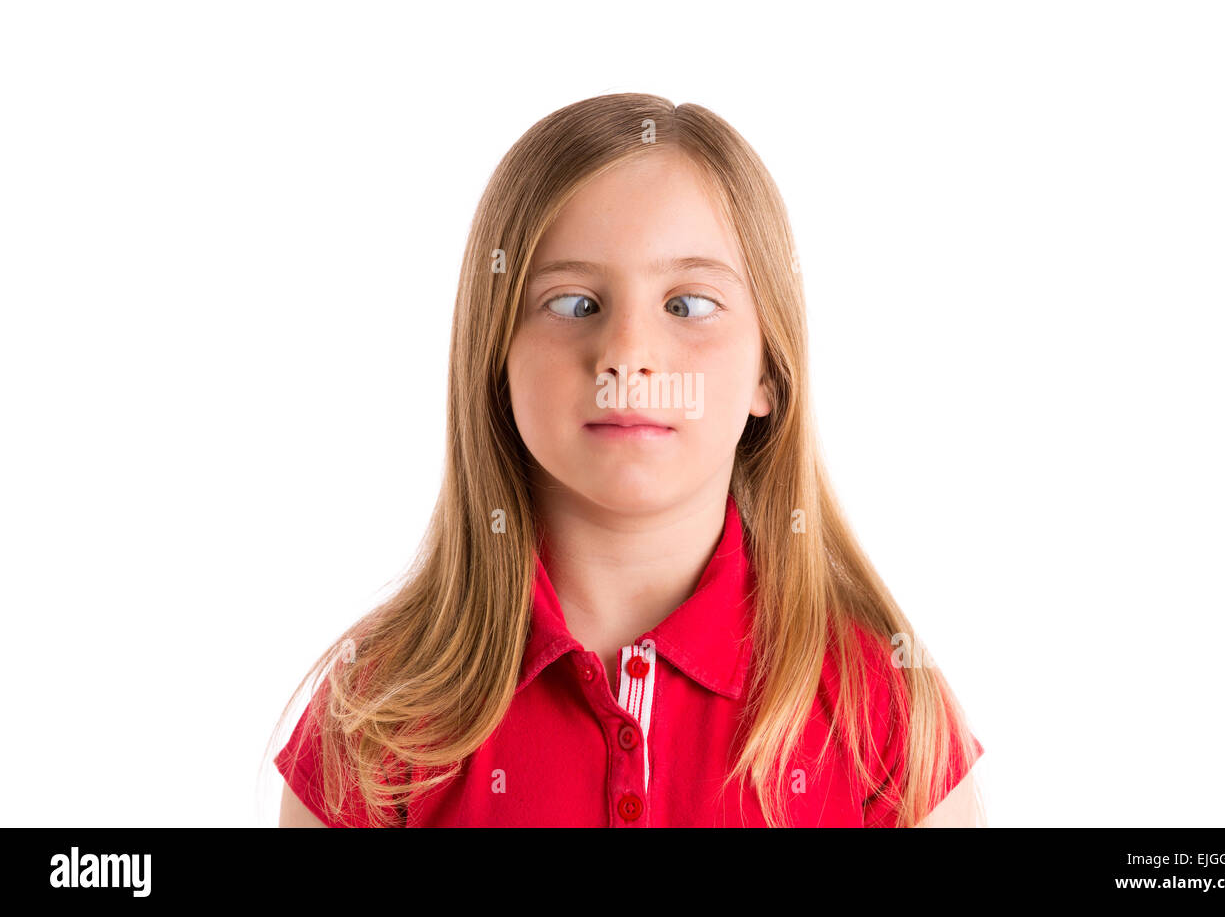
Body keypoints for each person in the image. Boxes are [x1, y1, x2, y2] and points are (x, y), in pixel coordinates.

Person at [267, 93, 985, 827]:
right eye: (575, 303)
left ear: (768, 372)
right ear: (497, 360)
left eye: (688, 305)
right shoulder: (377, 716)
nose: (629, 357)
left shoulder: (881, 708)